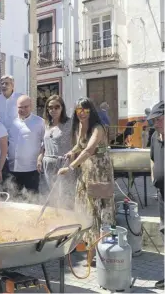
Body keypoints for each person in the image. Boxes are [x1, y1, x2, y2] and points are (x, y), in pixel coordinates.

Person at [58, 98, 115, 261]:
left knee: (99, 211)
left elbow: (89, 149)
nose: (82, 113)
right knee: (85, 209)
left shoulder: (98, 128)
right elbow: (80, 145)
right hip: (86, 171)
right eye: (79, 110)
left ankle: (103, 251)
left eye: (85, 110)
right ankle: (89, 249)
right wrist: (71, 152)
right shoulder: (81, 126)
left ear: (91, 111)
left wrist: (71, 166)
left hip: (100, 172)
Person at [37, 95, 74, 204]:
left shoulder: (70, 124)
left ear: (62, 108)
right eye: (50, 107)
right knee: (50, 198)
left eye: (57, 107)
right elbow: (44, 145)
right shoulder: (47, 124)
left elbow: (78, 143)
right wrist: (39, 158)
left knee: (64, 197)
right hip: (47, 166)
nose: (53, 110)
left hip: (63, 165)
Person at [8, 95, 45, 196]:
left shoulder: (40, 122)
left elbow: (45, 143)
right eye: (20, 107)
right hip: (13, 169)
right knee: (14, 200)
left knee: (31, 200)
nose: (23, 109)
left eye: (26, 107)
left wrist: (40, 158)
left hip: (31, 170)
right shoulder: (12, 123)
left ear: (31, 106)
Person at [147, 101, 164, 290]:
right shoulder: (154, 137)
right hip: (162, 195)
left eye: (159, 120)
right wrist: (154, 179)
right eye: (153, 121)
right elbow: (152, 160)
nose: (156, 124)